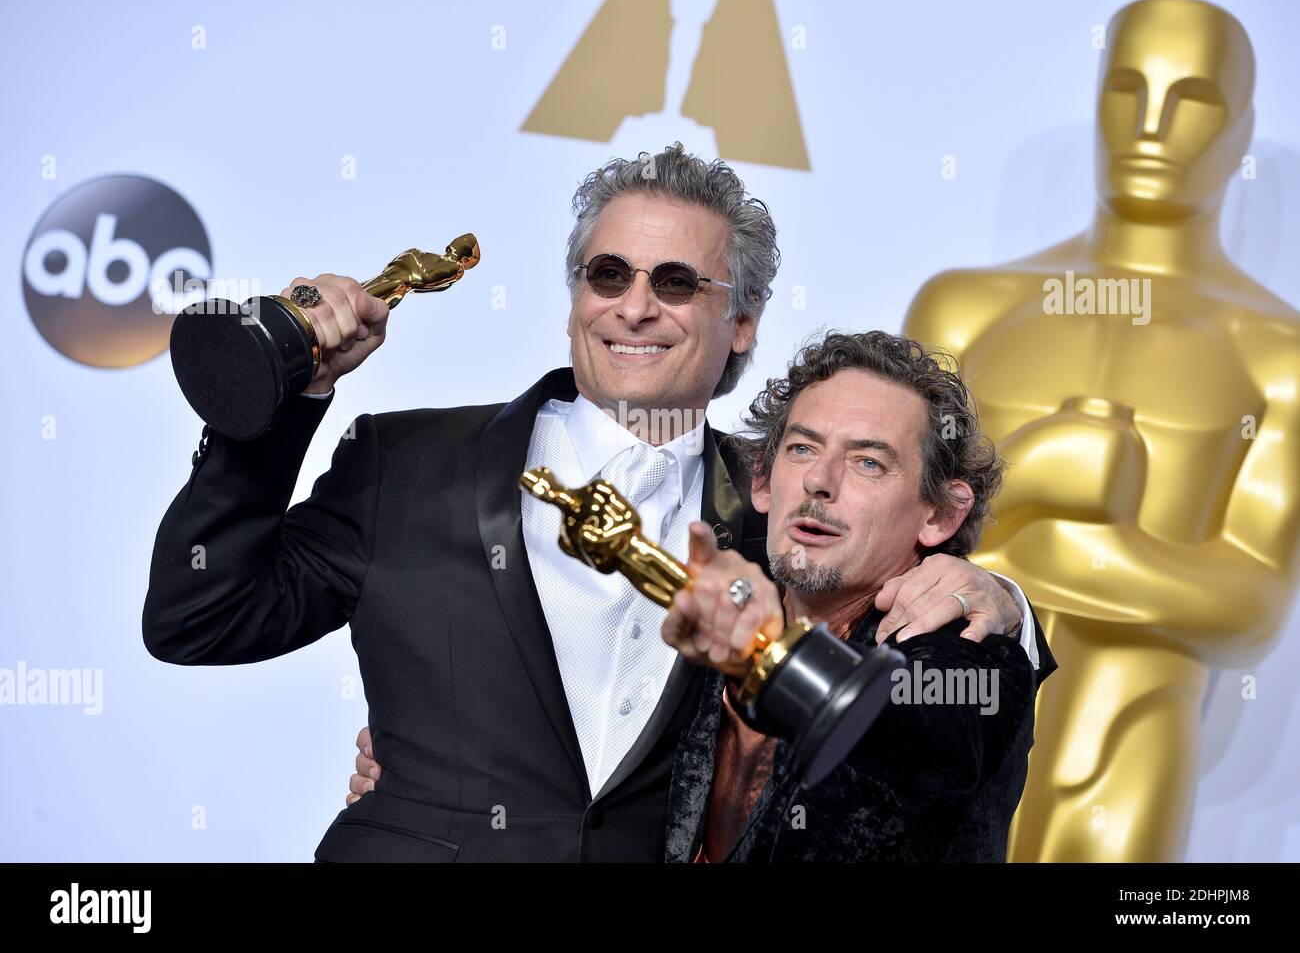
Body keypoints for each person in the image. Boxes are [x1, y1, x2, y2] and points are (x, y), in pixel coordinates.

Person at [144, 144, 1037, 862]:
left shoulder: (778, 512)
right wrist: (270, 401)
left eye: (677, 282)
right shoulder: (408, 461)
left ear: (743, 323)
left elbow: (895, 653)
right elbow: (200, 616)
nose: (635, 306)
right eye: (607, 274)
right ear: (574, 296)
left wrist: (1011, 606)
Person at [658, 331, 1057, 861]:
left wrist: (770, 655)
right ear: (762, 480)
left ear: (940, 514)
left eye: (868, 462)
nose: (819, 481)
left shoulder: (974, 649)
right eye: (802, 448)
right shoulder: (719, 599)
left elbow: (932, 746)